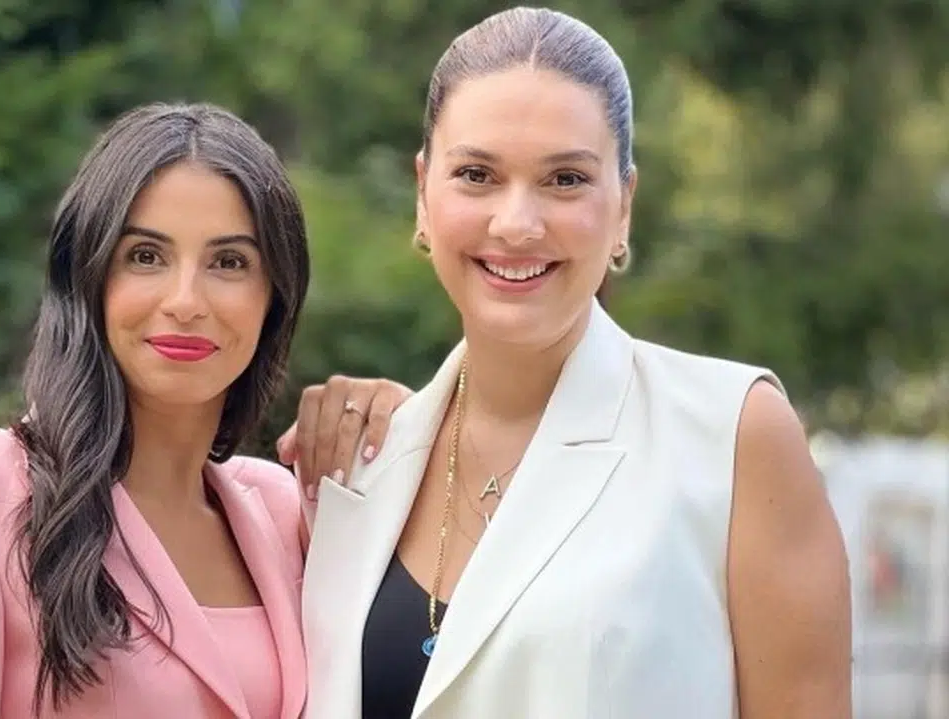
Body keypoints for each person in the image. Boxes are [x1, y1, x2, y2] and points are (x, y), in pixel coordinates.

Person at [297, 7, 853, 718]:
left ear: (624, 206)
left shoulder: (733, 436)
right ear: (423, 194)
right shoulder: (357, 459)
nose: (516, 224)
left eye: (565, 180)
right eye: (476, 174)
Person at [0, 102, 407, 719]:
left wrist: (417, 439)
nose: (185, 301)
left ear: (275, 297)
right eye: (146, 256)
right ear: (88, 277)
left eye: (229, 262)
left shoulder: (287, 512)